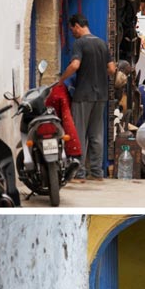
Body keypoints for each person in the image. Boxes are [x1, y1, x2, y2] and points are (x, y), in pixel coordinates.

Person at [57, 14, 116, 181]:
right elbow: (112, 69)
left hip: (83, 95)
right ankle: (97, 173)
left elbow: (75, 65)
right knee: (96, 135)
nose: (72, 33)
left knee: (79, 134)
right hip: (101, 95)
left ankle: (79, 172)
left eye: (71, 30)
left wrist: (61, 80)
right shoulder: (102, 43)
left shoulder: (80, 43)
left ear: (77, 26)